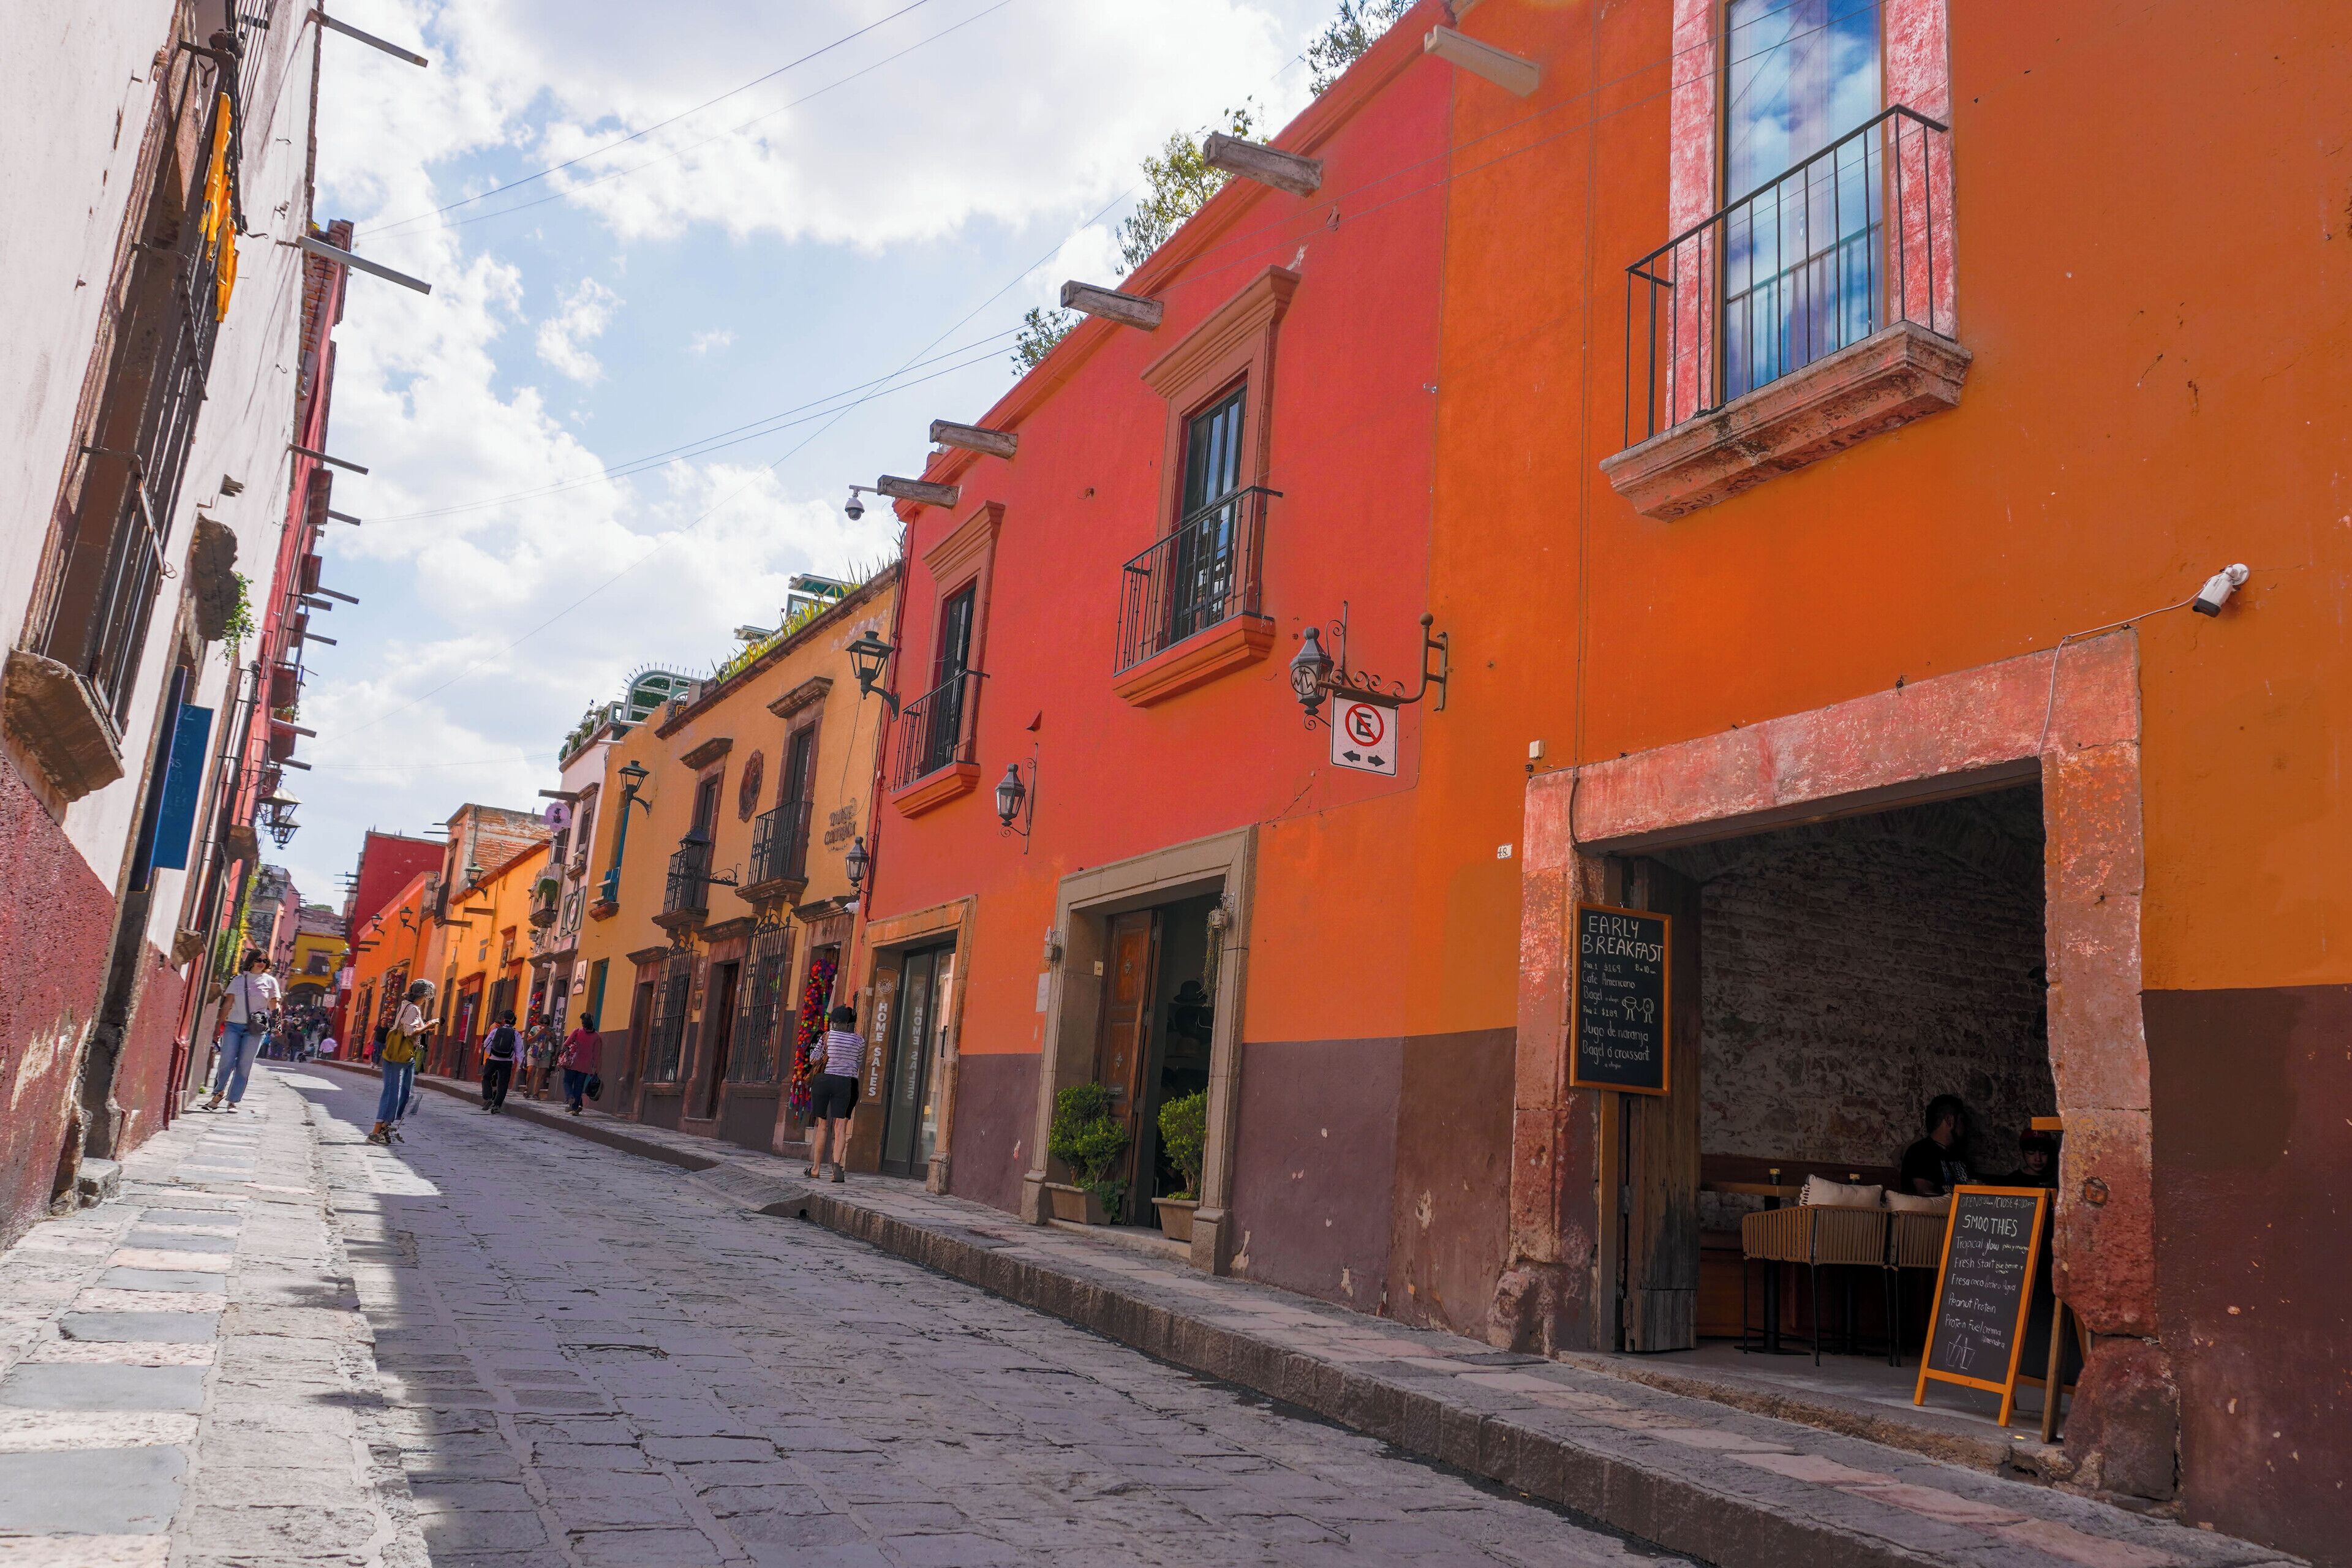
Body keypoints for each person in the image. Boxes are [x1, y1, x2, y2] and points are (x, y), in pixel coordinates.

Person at [205, 951, 282, 1112]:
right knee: (226, 1061)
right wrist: (218, 1025)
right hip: (233, 1026)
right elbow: (228, 1004)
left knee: (244, 1066)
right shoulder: (238, 981)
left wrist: (278, 1026)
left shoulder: (270, 982)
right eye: (258, 960)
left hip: (255, 1029)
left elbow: (275, 1006)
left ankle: (233, 1101)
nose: (261, 963)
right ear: (251, 961)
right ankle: (218, 1093)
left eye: (265, 961)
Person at [369, 979, 434, 1145]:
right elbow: (409, 1032)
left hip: (402, 1055)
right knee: (393, 1093)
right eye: (426, 996)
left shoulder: (405, 1005)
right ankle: (376, 1132)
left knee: (403, 1094)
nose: (426, 1000)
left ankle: (384, 1128)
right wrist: (428, 1026)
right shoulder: (413, 1009)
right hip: (400, 1055)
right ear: (422, 995)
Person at [805, 1005, 863, 1183]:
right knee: (840, 1126)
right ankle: (836, 1166)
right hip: (846, 1082)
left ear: (833, 1022)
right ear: (849, 1023)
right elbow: (858, 1063)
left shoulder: (827, 1036)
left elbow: (813, 1059)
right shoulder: (859, 1040)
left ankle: (816, 1169)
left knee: (822, 1124)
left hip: (824, 1080)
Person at [1899, 1095, 1975, 1197]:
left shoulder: (1959, 1155)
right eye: (1962, 1120)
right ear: (1950, 1121)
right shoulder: (1919, 1153)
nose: (1964, 1127)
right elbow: (1925, 1193)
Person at [480, 1011, 521, 1113]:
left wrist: (491, 1053)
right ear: (514, 1022)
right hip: (507, 1061)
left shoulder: (495, 1031)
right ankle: (497, 1105)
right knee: (503, 1083)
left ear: (503, 1020)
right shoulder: (516, 1034)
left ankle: (488, 1097)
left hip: (493, 1059)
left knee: (486, 1078)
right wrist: (519, 1064)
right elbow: (519, 1050)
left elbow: (486, 1043)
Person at [560, 1014, 601, 1116]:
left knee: (567, 1082)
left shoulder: (577, 1031)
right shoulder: (596, 1036)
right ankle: (574, 1109)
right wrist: (596, 1068)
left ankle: (570, 1096)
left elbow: (566, 1044)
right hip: (585, 1066)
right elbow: (597, 1054)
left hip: (572, 1063)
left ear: (583, 1023)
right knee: (579, 1087)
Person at [1992, 1128, 2060, 1189]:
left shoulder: (2058, 1181)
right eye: (2031, 1152)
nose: (2038, 1159)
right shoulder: (2011, 1182)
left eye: (2043, 1152)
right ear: (2022, 1153)